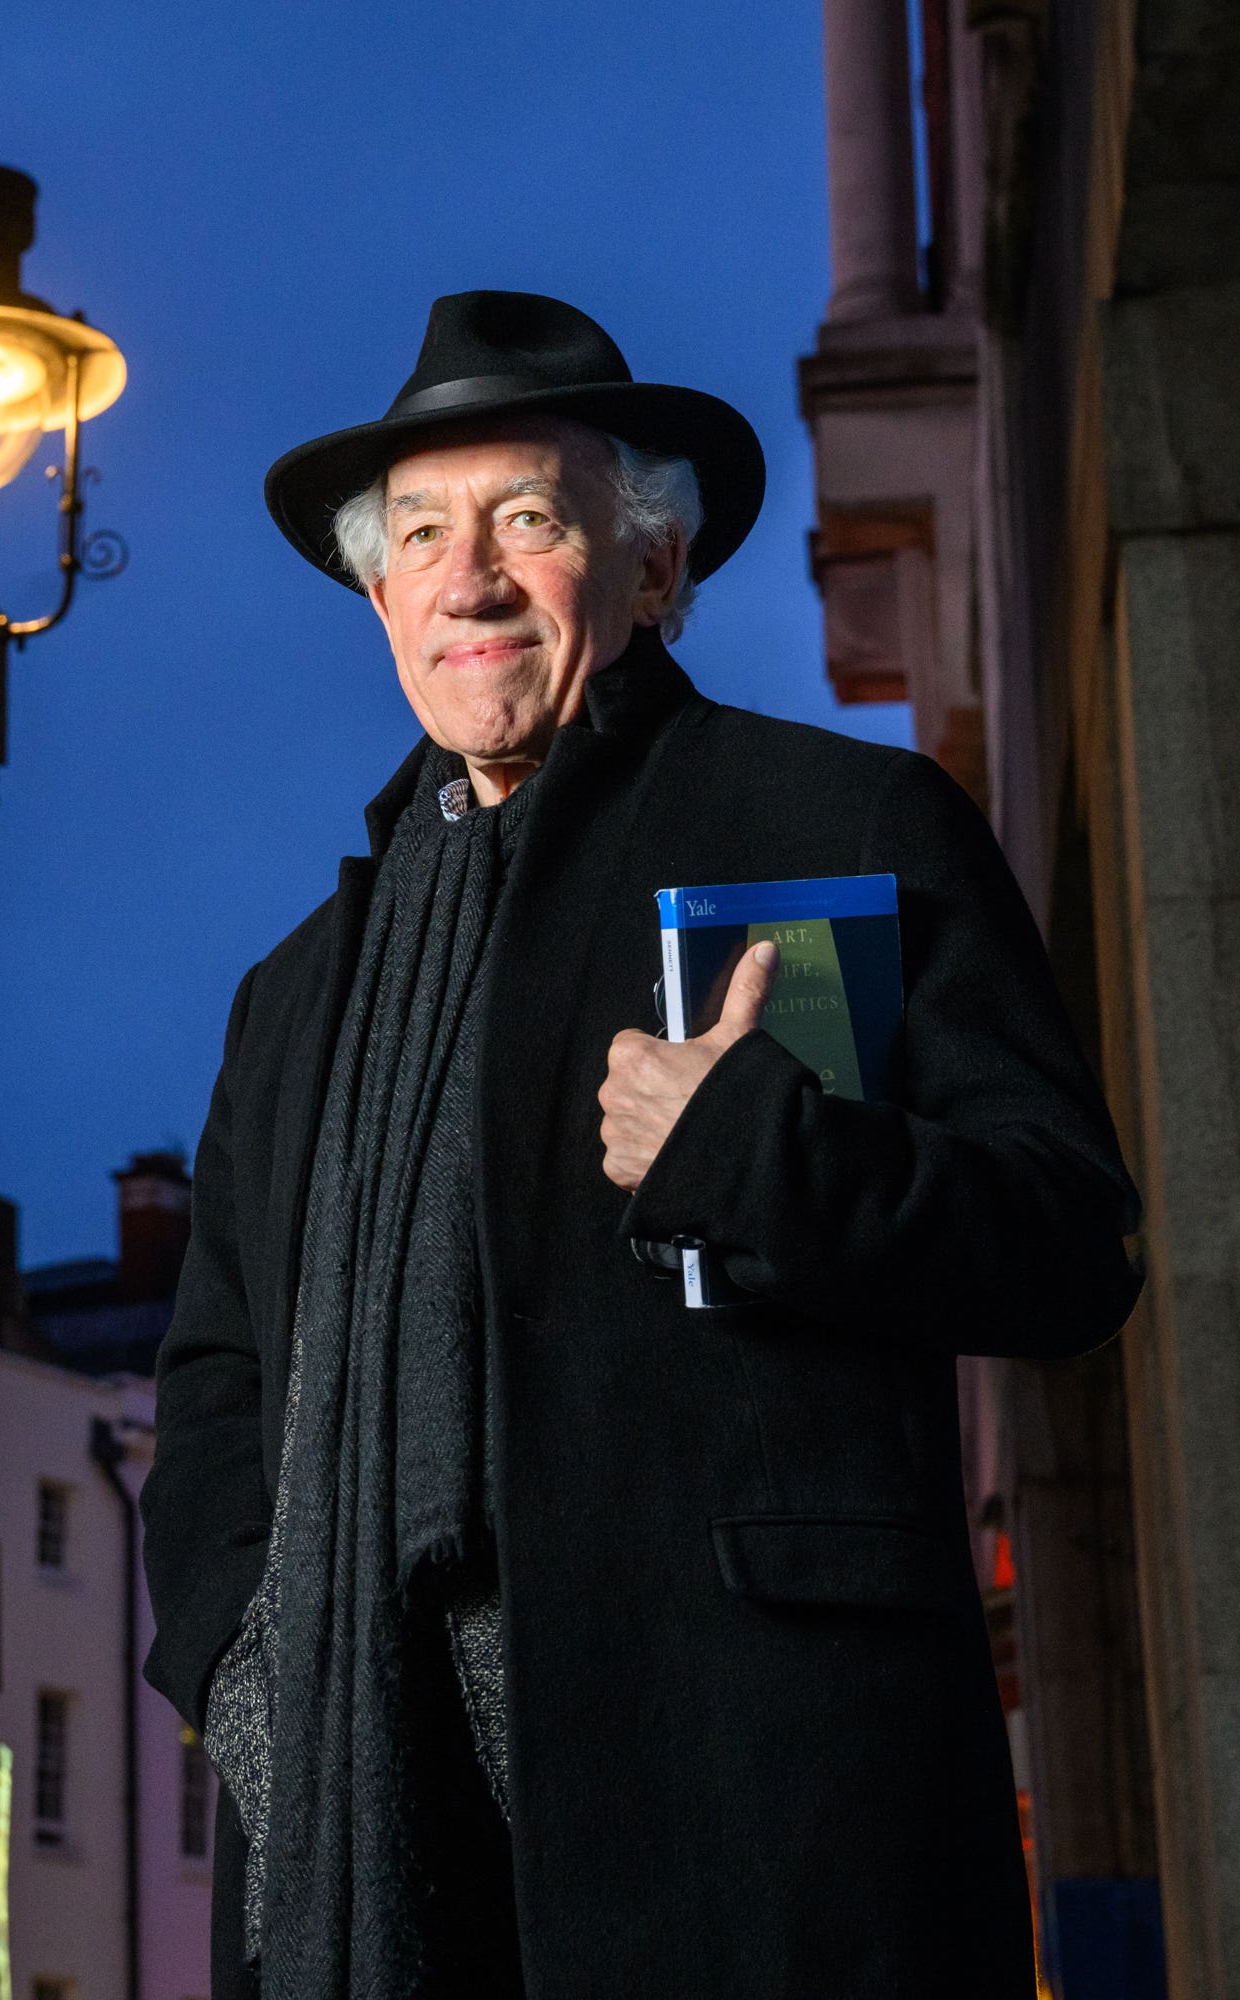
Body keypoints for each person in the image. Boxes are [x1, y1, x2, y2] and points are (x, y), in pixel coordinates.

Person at [138, 291, 1141, 2000]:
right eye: (425, 538)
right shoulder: (295, 996)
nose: (470, 578)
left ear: (656, 567)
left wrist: (760, 1151)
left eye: (531, 519)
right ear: (378, 597)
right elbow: (219, 1383)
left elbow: (1067, 1244)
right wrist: (248, 1675)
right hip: (369, 1810)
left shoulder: (849, 826)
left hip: (754, 1791)